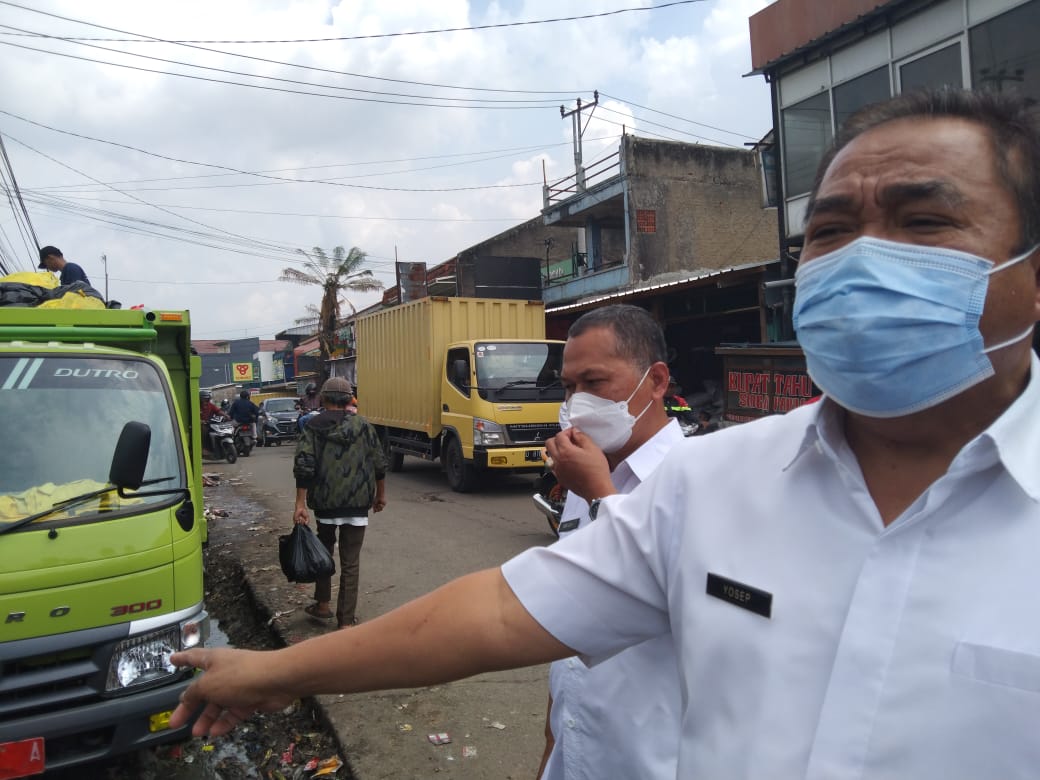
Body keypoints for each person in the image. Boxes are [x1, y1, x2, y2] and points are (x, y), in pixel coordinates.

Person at [170, 88, 1040, 777]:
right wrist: (275, 671)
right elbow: (504, 612)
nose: (861, 261)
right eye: (831, 231)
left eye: (924, 222)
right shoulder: (713, 486)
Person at [535, 304, 685, 779]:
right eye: (568, 387)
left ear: (656, 382)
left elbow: (655, 586)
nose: (577, 403)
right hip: (578, 749)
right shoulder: (587, 477)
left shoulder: (698, 481)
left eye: (594, 383)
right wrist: (552, 740)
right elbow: (573, 611)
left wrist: (602, 493)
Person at [294, 377, 387, 629]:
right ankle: (346, 621)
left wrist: (300, 504)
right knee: (351, 562)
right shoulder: (364, 426)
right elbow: (379, 464)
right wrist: (380, 496)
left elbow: (304, 465)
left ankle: (323, 605)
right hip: (357, 504)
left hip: (325, 505)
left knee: (323, 554)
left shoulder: (312, 426)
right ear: (348, 399)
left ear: (323, 399)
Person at [199, 390, 222, 456]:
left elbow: (218, 411)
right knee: (204, 431)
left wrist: (226, 416)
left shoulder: (210, 405)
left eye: (207, 399)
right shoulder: (197, 406)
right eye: (204, 399)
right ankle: (204, 448)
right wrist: (200, 421)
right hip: (201, 425)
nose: (206, 401)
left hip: (210, 423)